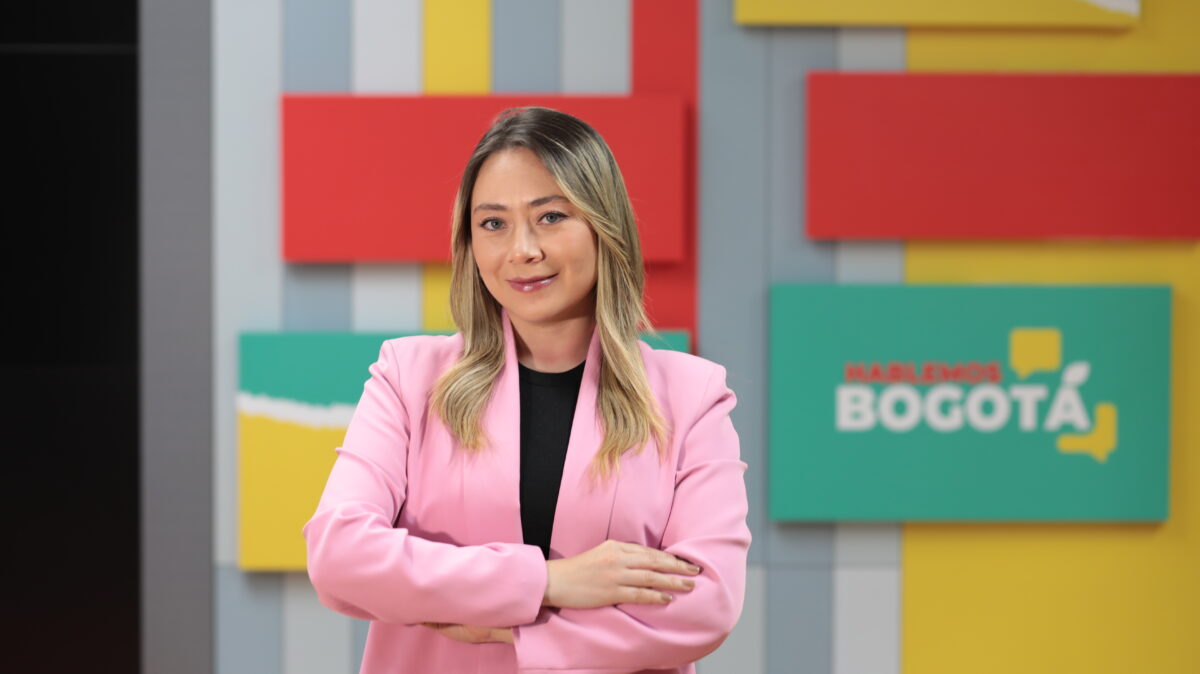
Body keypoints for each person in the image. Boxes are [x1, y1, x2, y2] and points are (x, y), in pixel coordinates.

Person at [302, 106, 751, 673]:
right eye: (493, 223)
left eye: (550, 217)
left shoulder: (691, 394)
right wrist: (548, 580)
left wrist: (506, 631)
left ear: (602, 225)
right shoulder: (407, 376)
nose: (522, 250)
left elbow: (705, 603)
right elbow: (340, 555)